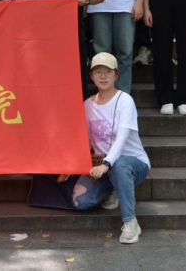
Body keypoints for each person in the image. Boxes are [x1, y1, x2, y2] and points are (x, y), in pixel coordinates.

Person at [59, 53, 150, 245]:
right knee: (80, 201)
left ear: (116, 75)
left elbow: (122, 138)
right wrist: (72, 164)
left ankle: (130, 222)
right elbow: (85, 140)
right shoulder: (87, 105)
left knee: (119, 165)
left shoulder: (125, 101)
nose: (103, 76)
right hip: (101, 165)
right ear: (91, 76)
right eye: (98, 71)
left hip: (131, 163)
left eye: (108, 71)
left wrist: (107, 163)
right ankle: (114, 189)